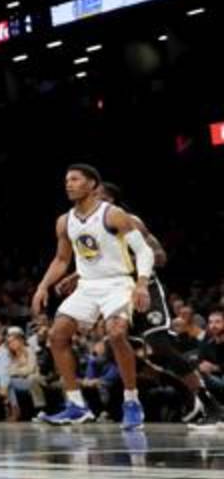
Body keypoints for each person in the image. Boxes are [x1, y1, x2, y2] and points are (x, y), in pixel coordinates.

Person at [56, 181, 223, 427]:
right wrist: (77, 275)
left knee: (160, 347)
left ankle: (211, 405)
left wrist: (133, 264)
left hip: (144, 290)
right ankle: (184, 392)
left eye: (99, 195)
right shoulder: (91, 227)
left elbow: (160, 257)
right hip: (116, 291)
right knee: (116, 349)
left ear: (111, 200)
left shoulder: (130, 221)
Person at [32, 164, 154, 430]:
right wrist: (42, 286)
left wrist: (141, 284)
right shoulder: (65, 221)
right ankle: (76, 405)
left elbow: (144, 252)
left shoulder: (113, 214)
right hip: (87, 286)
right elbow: (62, 259)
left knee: (117, 333)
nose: (69, 184)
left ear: (92, 185)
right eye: (66, 180)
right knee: (57, 335)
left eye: (75, 179)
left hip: (117, 282)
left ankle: (132, 401)